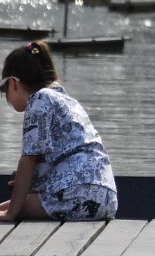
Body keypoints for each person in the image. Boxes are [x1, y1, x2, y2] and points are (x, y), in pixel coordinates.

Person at [2, 41, 118, 224]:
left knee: (13, 207)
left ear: (13, 83)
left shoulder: (39, 99)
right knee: (16, 202)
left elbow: (28, 159)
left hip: (78, 196)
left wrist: (11, 214)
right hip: (105, 198)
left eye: (4, 89)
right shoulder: (65, 99)